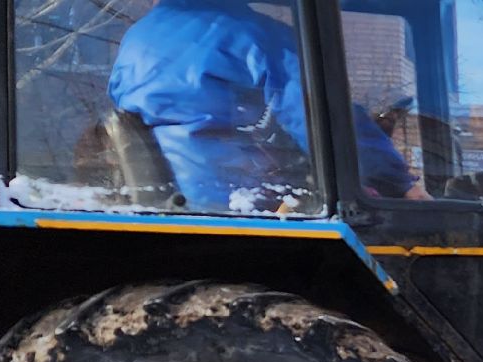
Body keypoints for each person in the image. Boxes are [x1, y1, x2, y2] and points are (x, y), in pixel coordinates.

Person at [108, 0, 416, 211]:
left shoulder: (134, 41)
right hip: (234, 200)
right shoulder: (252, 34)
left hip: (176, 197)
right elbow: (322, 117)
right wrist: (399, 182)